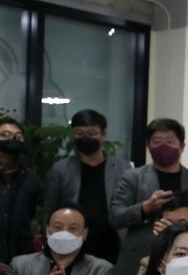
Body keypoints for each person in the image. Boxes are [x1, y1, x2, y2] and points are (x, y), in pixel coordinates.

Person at [109, 118, 188, 275]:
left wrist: (180, 229)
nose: (163, 147)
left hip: (187, 268)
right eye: (157, 142)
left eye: (170, 142)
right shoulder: (133, 177)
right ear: (148, 146)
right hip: (138, 264)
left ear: (182, 146)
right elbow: (115, 217)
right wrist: (146, 208)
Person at [43, 109, 131, 265]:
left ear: (103, 135)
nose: (85, 138)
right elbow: (50, 208)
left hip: (112, 244)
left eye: (91, 134)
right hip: (70, 244)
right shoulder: (60, 169)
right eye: (79, 133)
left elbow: (128, 207)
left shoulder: (122, 169)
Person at [0, 117, 39, 266]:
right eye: (6, 135)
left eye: (18, 136)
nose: (13, 139)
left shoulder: (31, 179)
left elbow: (29, 215)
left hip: (20, 262)